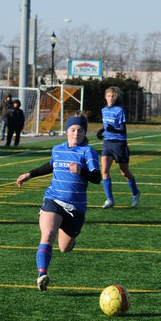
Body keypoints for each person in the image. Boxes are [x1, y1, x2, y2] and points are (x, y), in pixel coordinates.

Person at [16, 114, 101, 291]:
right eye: (72, 129)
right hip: (53, 199)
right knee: (47, 234)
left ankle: (70, 243)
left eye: (80, 130)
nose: (76, 133)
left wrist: (81, 171)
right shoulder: (58, 149)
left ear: (85, 133)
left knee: (63, 247)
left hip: (76, 208)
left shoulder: (88, 152)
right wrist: (30, 174)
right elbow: (50, 166)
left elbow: (97, 177)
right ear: (67, 131)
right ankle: (42, 274)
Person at [96, 86, 140, 208]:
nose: (111, 98)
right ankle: (110, 199)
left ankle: (135, 193)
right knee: (104, 171)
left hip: (119, 144)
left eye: (113, 96)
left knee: (124, 172)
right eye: (109, 96)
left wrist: (113, 130)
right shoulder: (104, 110)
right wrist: (101, 131)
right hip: (107, 143)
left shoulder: (119, 110)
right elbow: (107, 125)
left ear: (116, 98)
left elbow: (123, 130)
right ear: (105, 97)